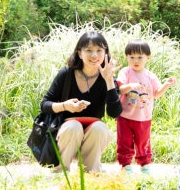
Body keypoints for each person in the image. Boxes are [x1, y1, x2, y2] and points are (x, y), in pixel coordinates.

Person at [40, 30, 122, 173]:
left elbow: (114, 113)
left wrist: (109, 81)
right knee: (73, 126)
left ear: (105, 53)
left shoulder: (107, 77)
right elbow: (45, 104)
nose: (94, 55)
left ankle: (91, 173)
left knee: (100, 128)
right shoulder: (66, 74)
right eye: (88, 50)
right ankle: (60, 171)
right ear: (79, 53)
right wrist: (66, 106)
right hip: (66, 130)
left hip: (93, 132)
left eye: (99, 50)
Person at [114, 39, 177, 174]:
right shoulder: (126, 72)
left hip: (144, 117)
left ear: (148, 58)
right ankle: (125, 165)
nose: (135, 61)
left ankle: (144, 165)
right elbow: (120, 89)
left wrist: (166, 84)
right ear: (127, 57)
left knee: (143, 142)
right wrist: (129, 86)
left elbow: (156, 93)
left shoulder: (150, 76)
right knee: (124, 141)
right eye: (131, 57)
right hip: (125, 116)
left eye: (139, 57)